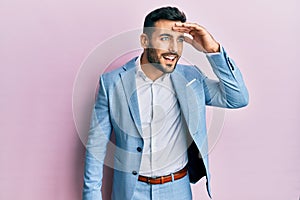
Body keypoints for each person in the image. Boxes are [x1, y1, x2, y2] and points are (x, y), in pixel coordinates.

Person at [82, 6, 248, 200]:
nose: (173, 49)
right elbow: (96, 147)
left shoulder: (192, 79)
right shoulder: (111, 83)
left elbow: (238, 98)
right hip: (130, 192)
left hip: (177, 189)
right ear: (145, 41)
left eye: (179, 40)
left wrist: (213, 50)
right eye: (165, 38)